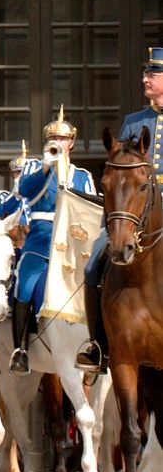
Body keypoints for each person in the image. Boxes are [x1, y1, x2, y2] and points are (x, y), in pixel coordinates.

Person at [76, 46, 163, 373]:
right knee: (91, 268)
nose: (145, 79)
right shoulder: (133, 122)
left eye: (152, 74)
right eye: (146, 73)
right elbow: (118, 174)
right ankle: (98, 346)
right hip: (132, 217)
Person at [9, 107, 96, 375]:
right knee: (24, 286)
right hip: (40, 245)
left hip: (71, 246)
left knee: (95, 284)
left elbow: (92, 211)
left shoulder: (83, 176)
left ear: (71, 142)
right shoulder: (35, 168)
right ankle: (20, 349)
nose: (58, 142)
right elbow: (23, 191)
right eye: (52, 139)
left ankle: (95, 344)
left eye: (63, 139)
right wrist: (47, 164)